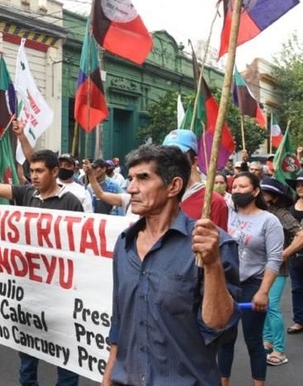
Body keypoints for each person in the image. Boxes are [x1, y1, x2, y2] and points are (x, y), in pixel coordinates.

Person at [102, 144, 240, 386]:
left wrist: (213, 264)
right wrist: (108, 380)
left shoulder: (211, 244)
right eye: (131, 178)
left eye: (143, 178)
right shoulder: (125, 244)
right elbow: (119, 324)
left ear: (174, 186)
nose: (131, 188)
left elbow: (218, 324)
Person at [0, 137, 83, 386]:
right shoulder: (25, 193)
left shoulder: (71, 202)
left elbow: (81, 247)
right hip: (30, 290)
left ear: (54, 172)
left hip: (60, 293)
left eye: (40, 171)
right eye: (31, 171)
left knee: (66, 356)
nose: (34, 176)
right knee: (28, 355)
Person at [218, 172, 283, 386]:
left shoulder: (269, 221)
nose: (236, 190)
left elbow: (274, 259)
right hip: (226, 284)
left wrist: (263, 292)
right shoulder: (226, 212)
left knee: (254, 341)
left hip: (253, 285)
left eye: (242, 186)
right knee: (225, 341)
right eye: (234, 186)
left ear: (255, 191)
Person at [260, 177, 301, 366]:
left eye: (264, 192)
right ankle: (268, 341)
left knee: (273, 307)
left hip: (278, 269)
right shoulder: (259, 212)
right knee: (264, 307)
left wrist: (284, 254)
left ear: (274, 196)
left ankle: (279, 350)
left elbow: (300, 234)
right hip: (259, 269)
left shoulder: (282, 214)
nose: (260, 194)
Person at [162, 129, 229, 231]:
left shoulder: (214, 202)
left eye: (179, 156)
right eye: (165, 157)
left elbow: (220, 244)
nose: (171, 162)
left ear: (194, 161)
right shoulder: (155, 195)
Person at [287, 171, 303, 334]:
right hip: (295, 256)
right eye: (298, 185)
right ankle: (299, 320)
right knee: (297, 288)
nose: (300, 188)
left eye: (302, 185)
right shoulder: (291, 207)